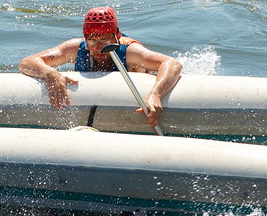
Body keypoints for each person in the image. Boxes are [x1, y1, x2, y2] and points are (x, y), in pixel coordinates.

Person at [18, 7, 183, 128]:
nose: (98, 48)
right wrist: (50, 74)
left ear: (117, 37)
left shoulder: (130, 51)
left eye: (105, 40)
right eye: (92, 41)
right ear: (85, 39)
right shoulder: (75, 48)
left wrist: (156, 94)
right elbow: (26, 62)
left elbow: (172, 63)